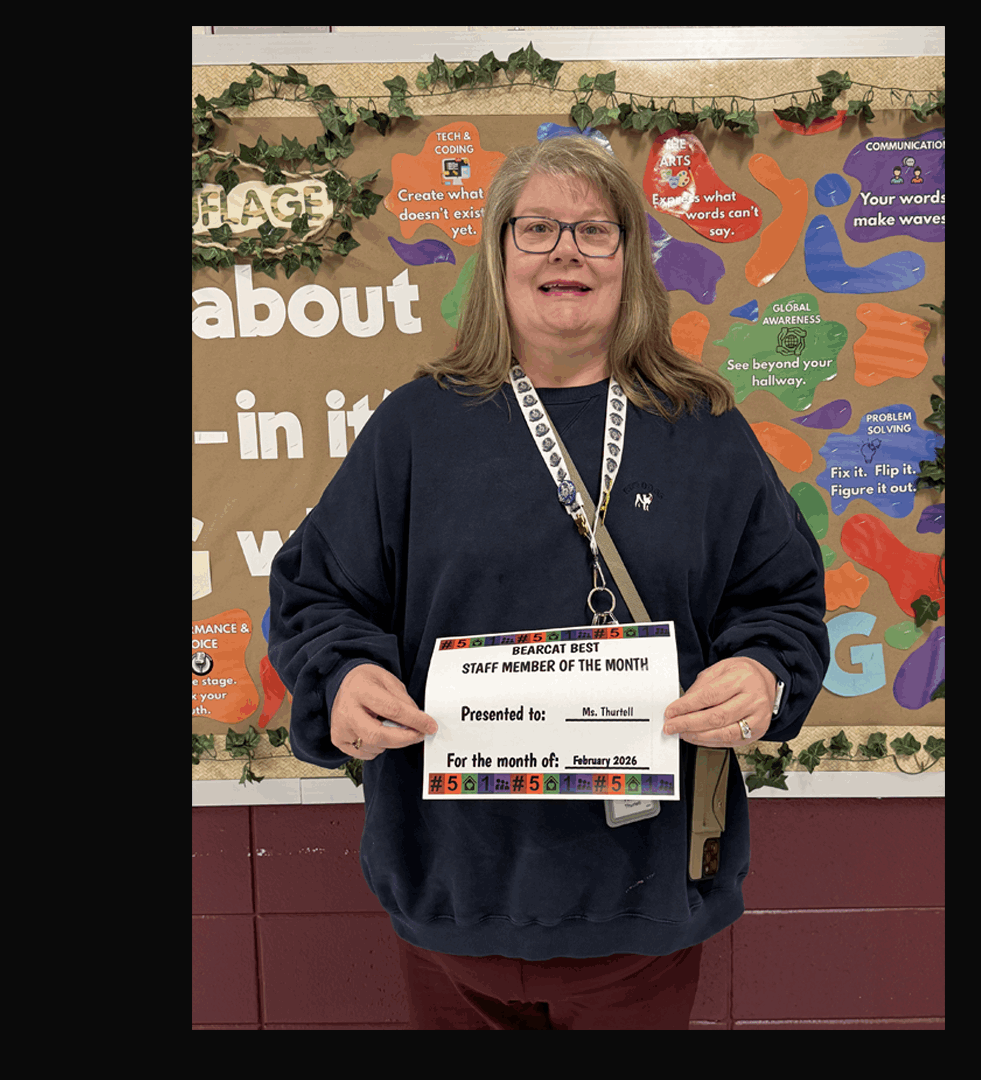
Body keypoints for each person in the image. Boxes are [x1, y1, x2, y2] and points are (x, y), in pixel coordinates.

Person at [268, 136, 829, 1029]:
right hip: (452, 893)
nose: (565, 249)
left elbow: (784, 601)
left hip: (642, 899)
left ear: (629, 262)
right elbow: (316, 592)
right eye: (536, 228)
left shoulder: (705, 431)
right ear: (498, 255)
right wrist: (341, 675)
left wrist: (764, 669)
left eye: (594, 231)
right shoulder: (417, 427)